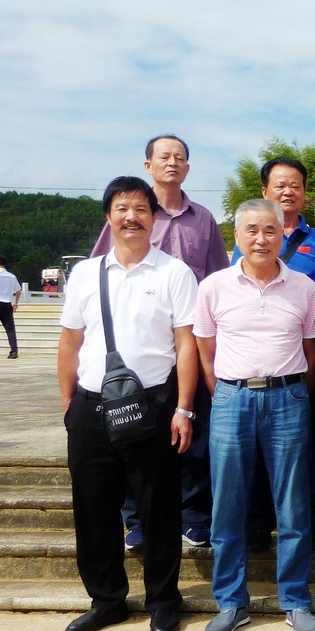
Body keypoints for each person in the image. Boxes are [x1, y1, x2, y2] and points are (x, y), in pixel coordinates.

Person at [57, 176, 198, 631]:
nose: (131, 216)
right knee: (93, 507)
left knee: (158, 507)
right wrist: (68, 404)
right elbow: (70, 342)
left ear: (154, 218)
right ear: (108, 216)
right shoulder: (85, 273)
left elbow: (186, 344)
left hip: (154, 407)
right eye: (122, 208)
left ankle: (162, 600)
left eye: (141, 208)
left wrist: (183, 408)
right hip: (91, 406)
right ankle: (106, 600)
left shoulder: (173, 272)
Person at [193, 199, 315, 631]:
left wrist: (290, 392)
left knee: (293, 506)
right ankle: (231, 601)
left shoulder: (304, 287)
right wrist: (227, 394)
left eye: (270, 230)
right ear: (237, 237)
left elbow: (311, 354)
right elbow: (205, 353)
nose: (261, 238)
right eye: (252, 230)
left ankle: (295, 599)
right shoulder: (213, 287)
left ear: (282, 235)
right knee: (227, 506)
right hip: (232, 400)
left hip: (288, 399)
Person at [92, 134, 229, 552]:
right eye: (164, 156)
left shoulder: (203, 218)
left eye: (180, 157)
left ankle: (193, 516)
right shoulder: (129, 214)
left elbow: (219, 280)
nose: (172, 162)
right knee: (133, 434)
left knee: (193, 432)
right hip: (140, 346)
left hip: (189, 340)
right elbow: (103, 272)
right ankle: (135, 521)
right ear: (148, 164)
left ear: (188, 167)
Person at [232, 156, 315, 552]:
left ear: (304, 192)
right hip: (254, 360)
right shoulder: (246, 239)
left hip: (302, 364)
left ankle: (304, 523)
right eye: (279, 185)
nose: (287, 191)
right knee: (257, 451)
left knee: (303, 452)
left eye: (295, 184)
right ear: (264, 191)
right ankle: (259, 524)